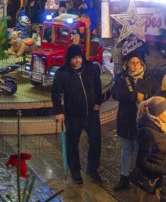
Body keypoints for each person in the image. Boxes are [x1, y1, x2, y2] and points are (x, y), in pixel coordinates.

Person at [51, 44, 103, 185]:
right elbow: (55, 93)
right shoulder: (63, 73)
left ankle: (92, 169)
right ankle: (75, 171)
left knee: (96, 142)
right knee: (72, 143)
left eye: (79, 57)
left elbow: (98, 85)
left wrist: (98, 101)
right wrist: (59, 111)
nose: (77, 61)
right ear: (69, 59)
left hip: (92, 113)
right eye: (73, 58)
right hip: (73, 115)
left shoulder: (91, 68)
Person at [112, 52, 159, 191]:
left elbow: (156, 97)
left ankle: (140, 181)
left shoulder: (149, 78)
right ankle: (124, 178)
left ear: (142, 64)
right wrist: (134, 96)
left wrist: (144, 97)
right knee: (126, 151)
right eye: (131, 62)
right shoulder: (121, 77)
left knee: (141, 153)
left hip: (142, 124)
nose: (134, 65)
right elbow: (116, 94)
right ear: (126, 64)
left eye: (137, 62)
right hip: (125, 121)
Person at [135, 96, 166, 201]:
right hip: (150, 184)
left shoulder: (161, 126)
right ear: (158, 113)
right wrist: (162, 169)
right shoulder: (148, 132)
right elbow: (141, 162)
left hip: (159, 181)